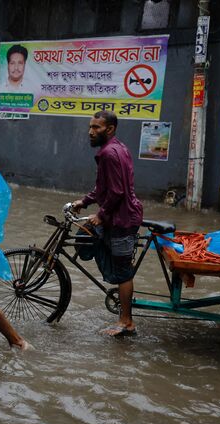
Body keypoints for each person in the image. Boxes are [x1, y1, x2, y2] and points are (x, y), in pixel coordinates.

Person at [71, 110, 143, 337]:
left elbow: (117, 192)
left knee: (123, 272)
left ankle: (127, 322)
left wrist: (101, 215)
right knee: (89, 235)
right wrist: (85, 201)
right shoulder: (118, 148)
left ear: (110, 129)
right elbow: (104, 187)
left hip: (121, 219)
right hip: (122, 215)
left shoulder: (109, 154)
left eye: (96, 128)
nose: (90, 132)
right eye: (90, 127)